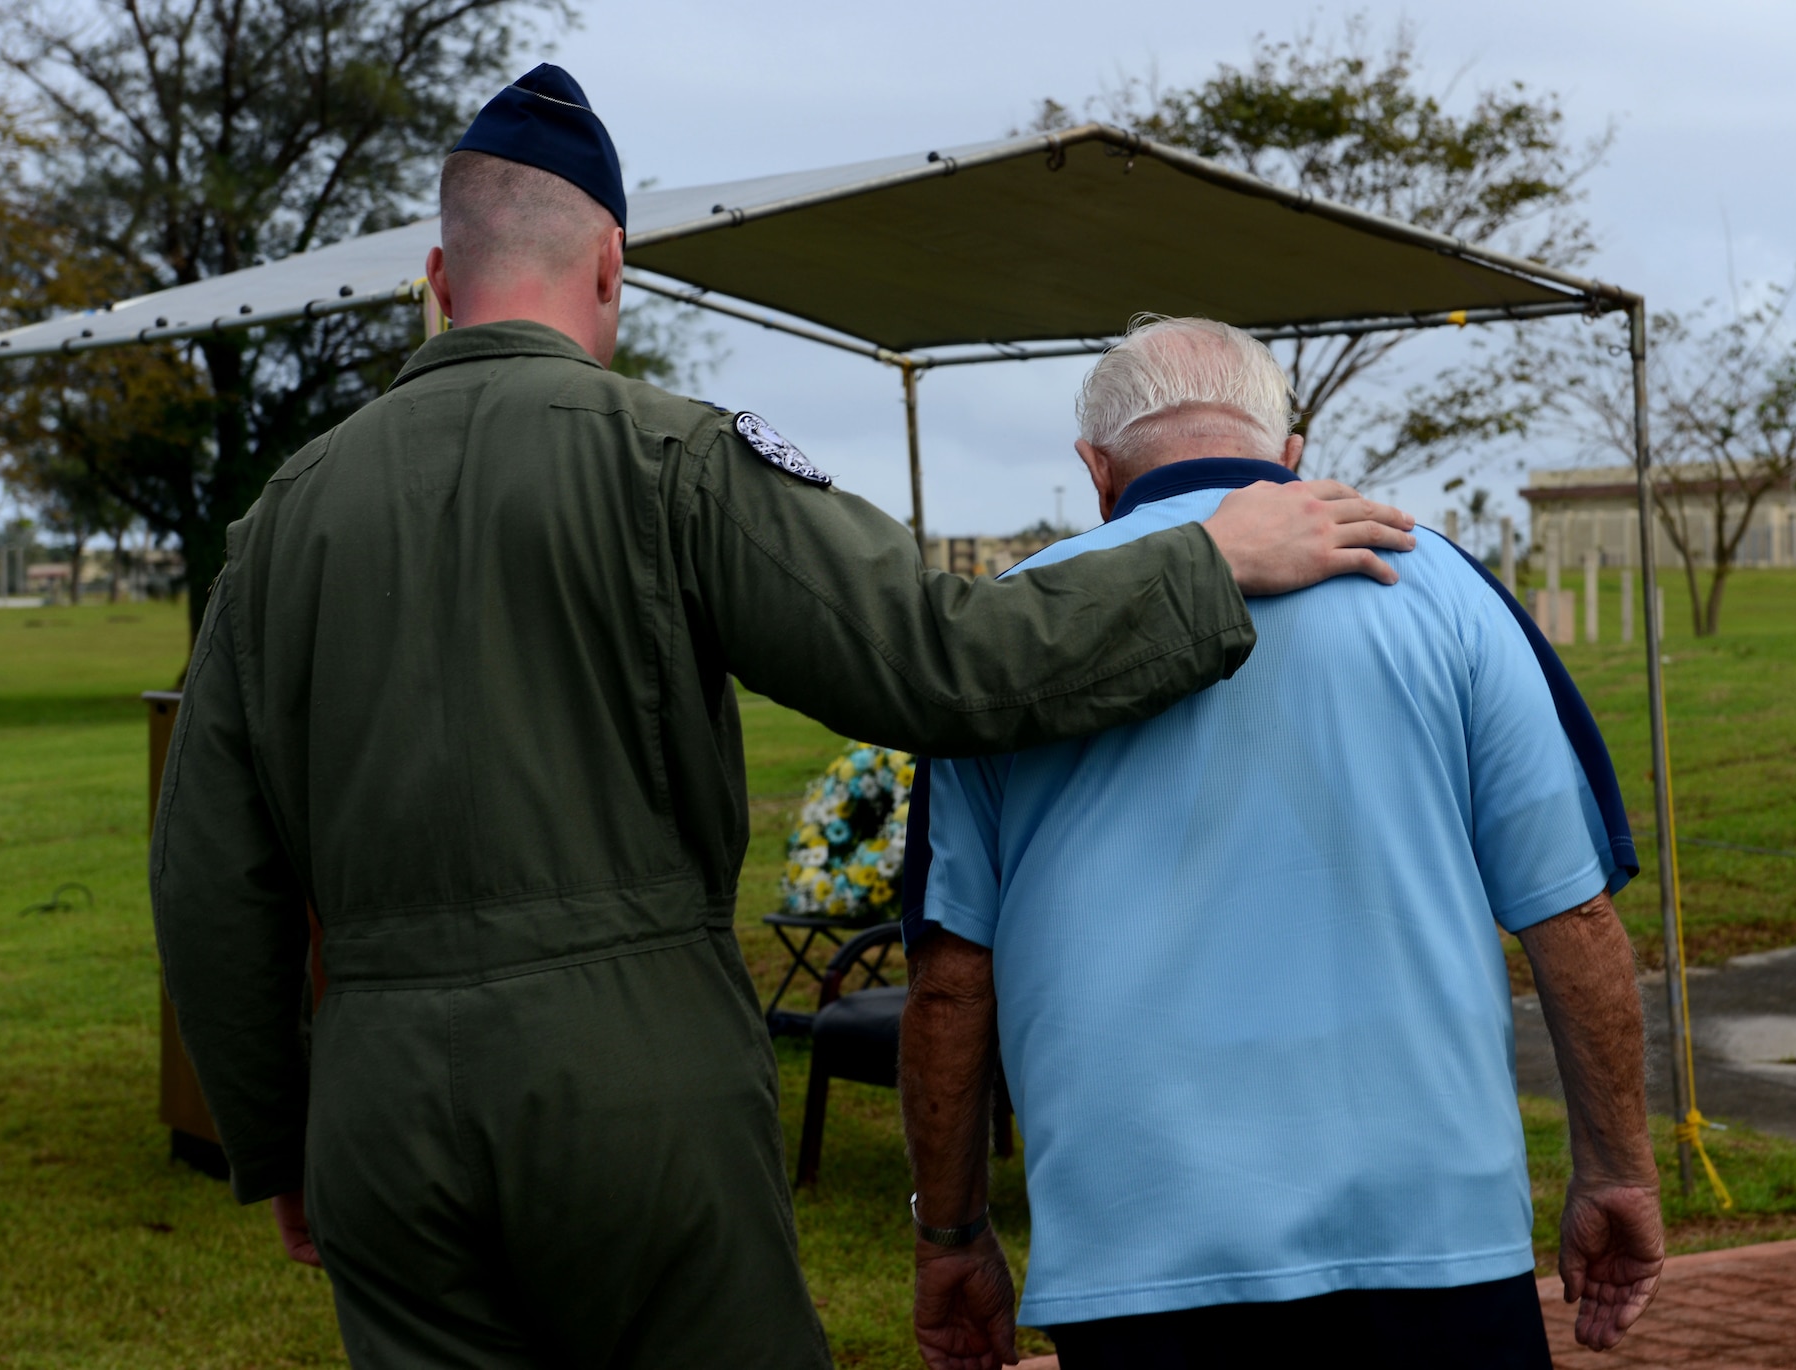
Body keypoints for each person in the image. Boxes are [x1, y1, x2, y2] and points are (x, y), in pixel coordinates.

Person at [149, 68, 1420, 1368]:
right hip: (632, 1082)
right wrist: (1203, 563)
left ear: (438, 266)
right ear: (610, 265)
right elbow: (942, 663)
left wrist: (280, 1131)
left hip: (381, 1110)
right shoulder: (673, 460)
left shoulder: (280, 522)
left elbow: (207, 870)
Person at [901, 317, 1663, 1370]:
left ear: (1094, 468)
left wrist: (948, 1231)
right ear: (1287, 453)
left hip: (1138, 1252)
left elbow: (949, 977)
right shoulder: (1443, 585)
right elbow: (1570, 913)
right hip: (1435, 1239)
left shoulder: (1005, 628)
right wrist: (1616, 1168)